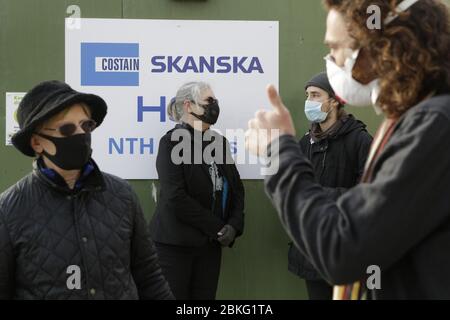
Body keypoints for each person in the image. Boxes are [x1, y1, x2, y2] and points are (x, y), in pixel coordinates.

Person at [246, 0, 450, 299]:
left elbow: (343, 249)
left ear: (382, 45)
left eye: (337, 47)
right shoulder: (421, 117)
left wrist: (278, 153)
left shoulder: (434, 124)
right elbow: (366, 210)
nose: (332, 60)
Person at [0, 80, 173, 300]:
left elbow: (150, 278)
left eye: (86, 125)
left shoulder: (123, 196)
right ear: (37, 143)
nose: (81, 135)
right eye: (67, 128)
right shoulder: (9, 210)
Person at [149, 81, 245, 300]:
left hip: (210, 247)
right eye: (209, 101)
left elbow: (237, 188)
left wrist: (235, 225)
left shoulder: (219, 142)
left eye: (215, 100)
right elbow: (175, 196)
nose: (215, 106)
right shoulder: (171, 143)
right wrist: (218, 228)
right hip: (175, 246)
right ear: (189, 106)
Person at [288, 72, 372, 300]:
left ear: (334, 100)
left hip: (347, 251)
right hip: (311, 250)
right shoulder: (305, 143)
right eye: (308, 96)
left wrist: (319, 196)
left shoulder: (360, 141)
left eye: (315, 95)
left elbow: (368, 197)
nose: (309, 102)